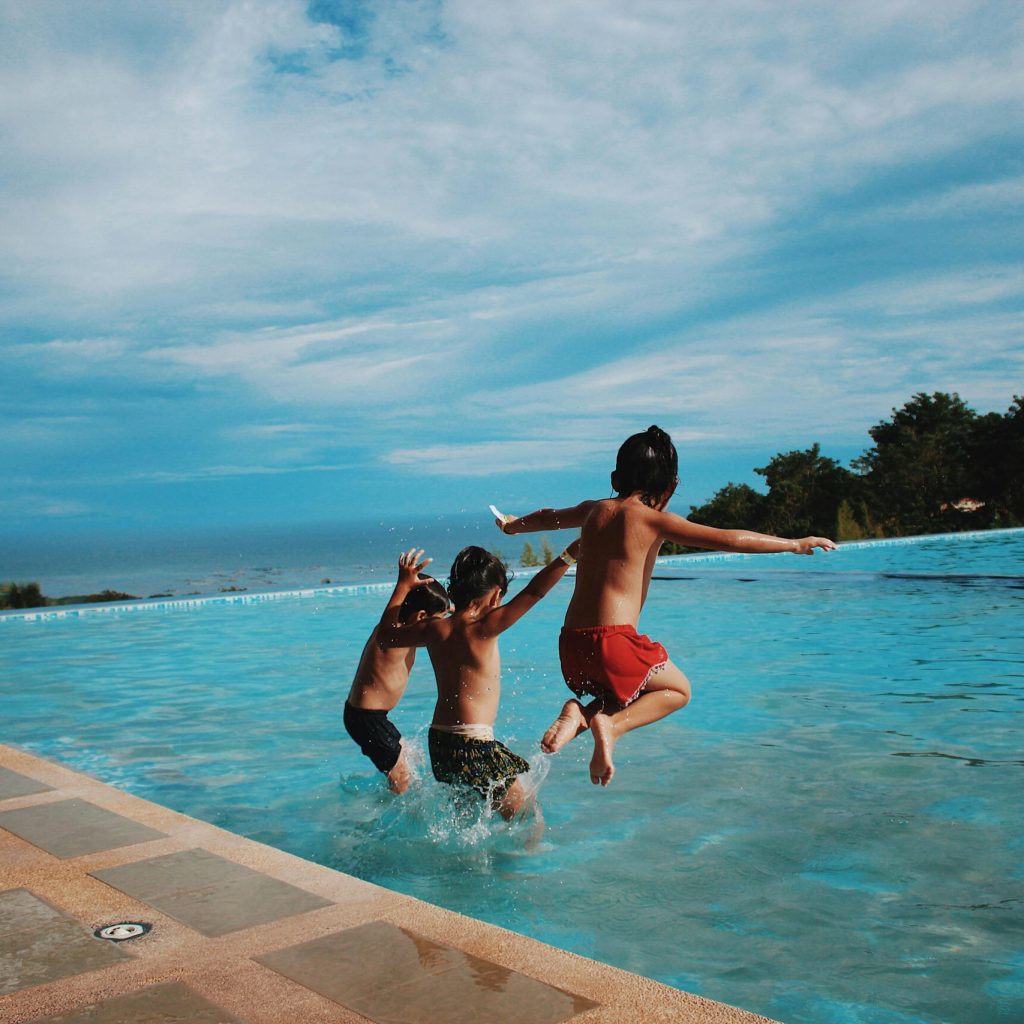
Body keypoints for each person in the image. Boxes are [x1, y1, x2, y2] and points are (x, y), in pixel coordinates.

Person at [494, 424, 837, 787]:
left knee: (623, 690)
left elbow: (549, 517)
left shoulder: (593, 511)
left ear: (615, 477)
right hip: (614, 642)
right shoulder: (654, 520)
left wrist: (513, 526)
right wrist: (795, 544)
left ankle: (580, 714)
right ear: (671, 485)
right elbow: (731, 539)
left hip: (572, 644)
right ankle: (607, 724)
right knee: (677, 690)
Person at [378, 541, 580, 820]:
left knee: (466, 818)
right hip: (473, 744)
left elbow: (385, 637)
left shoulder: (435, 629)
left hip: (440, 743)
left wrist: (402, 587)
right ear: (496, 596)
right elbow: (534, 592)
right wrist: (568, 556)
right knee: (527, 816)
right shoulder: (485, 627)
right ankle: (520, 861)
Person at [344, 573, 450, 794]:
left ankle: (389, 794)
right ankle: (392, 821)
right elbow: (442, 634)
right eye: (438, 619)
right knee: (402, 777)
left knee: (411, 755)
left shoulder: (398, 630)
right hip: (367, 719)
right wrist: (403, 585)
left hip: (367, 716)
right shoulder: (394, 636)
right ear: (421, 616)